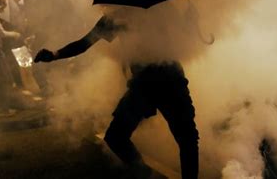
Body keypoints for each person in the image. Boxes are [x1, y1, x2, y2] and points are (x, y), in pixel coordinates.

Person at [35, 13, 199, 179]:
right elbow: (85, 43)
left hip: (169, 82)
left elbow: (184, 37)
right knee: (116, 136)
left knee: (187, 139)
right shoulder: (116, 16)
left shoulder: (161, 8)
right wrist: (55, 55)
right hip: (144, 86)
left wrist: (190, 21)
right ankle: (142, 171)